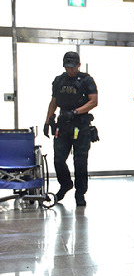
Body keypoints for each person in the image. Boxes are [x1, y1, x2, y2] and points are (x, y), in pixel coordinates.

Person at [43, 51, 98, 207]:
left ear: (79, 65)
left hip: (80, 125)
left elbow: (94, 101)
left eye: (72, 67)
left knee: (80, 162)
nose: (70, 70)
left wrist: (75, 112)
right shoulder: (59, 80)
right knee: (58, 159)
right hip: (63, 125)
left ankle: (80, 193)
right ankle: (66, 183)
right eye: (67, 67)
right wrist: (47, 121)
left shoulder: (87, 80)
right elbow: (53, 101)